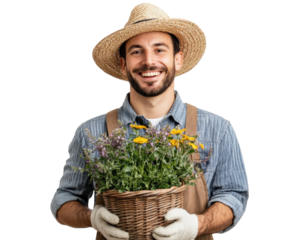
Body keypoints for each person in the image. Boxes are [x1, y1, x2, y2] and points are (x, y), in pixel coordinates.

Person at [49, 2, 250, 240]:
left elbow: (235, 196)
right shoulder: (90, 131)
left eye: (159, 49)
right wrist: (91, 217)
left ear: (178, 59)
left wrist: (197, 225)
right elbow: (62, 202)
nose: (148, 61)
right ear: (124, 64)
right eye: (136, 51)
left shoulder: (219, 130)